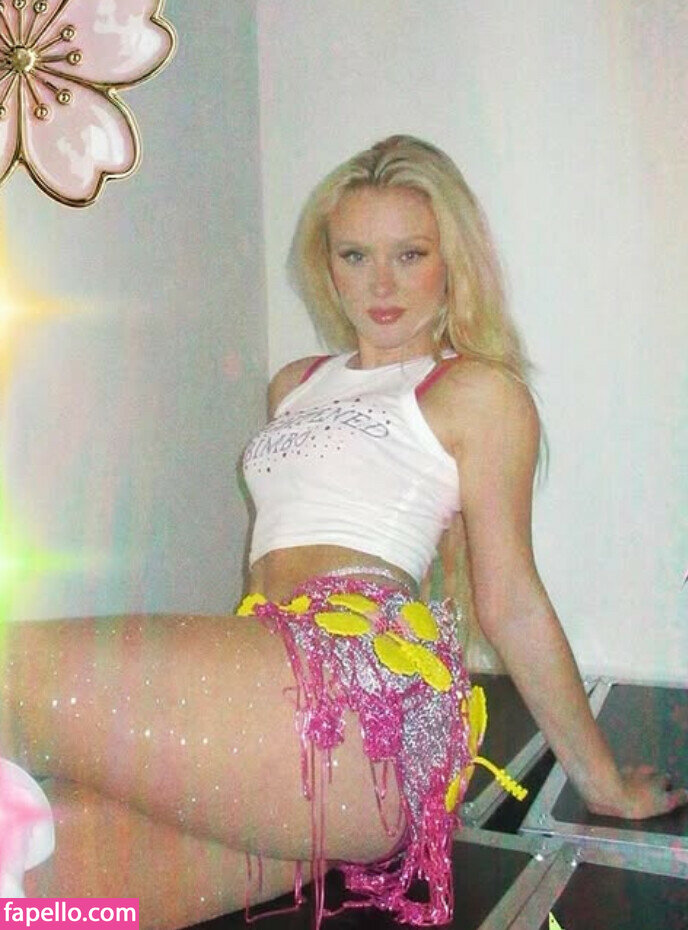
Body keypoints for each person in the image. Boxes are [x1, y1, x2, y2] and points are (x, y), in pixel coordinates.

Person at [1, 135, 685, 930]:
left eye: (410, 254)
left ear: (452, 260)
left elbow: (510, 600)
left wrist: (602, 783)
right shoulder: (295, 384)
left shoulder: (474, 391)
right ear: (327, 264)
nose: (381, 284)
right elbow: (268, 571)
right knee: (44, 883)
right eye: (355, 255)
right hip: (290, 714)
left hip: (365, 697)